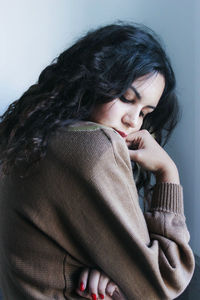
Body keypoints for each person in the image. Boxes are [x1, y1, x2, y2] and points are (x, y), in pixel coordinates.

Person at [0, 22, 195, 300]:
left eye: (144, 112)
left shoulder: (36, 133)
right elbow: (165, 280)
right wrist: (168, 172)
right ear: (94, 80)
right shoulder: (95, 147)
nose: (133, 120)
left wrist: (114, 268)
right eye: (127, 98)